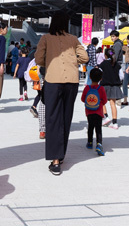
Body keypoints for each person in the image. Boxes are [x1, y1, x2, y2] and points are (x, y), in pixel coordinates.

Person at [35, 11, 88, 175]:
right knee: (66, 118)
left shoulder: (46, 38)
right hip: (71, 82)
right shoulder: (73, 39)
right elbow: (84, 57)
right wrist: (73, 61)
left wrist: (51, 63)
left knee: (53, 119)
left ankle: (55, 160)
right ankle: (61, 154)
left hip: (53, 81)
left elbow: (38, 59)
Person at [82, 67, 108, 156]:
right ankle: (99, 144)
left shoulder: (87, 88)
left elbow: (83, 99)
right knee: (98, 128)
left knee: (90, 127)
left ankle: (89, 142)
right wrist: (100, 103)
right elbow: (105, 100)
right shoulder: (101, 88)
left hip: (89, 111)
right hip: (98, 111)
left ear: (90, 77)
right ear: (101, 78)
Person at [98, 48, 123, 129]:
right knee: (113, 104)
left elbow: (99, 74)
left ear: (105, 55)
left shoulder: (103, 64)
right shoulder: (117, 64)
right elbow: (121, 76)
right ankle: (115, 123)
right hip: (115, 86)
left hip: (105, 85)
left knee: (101, 101)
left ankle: (105, 117)